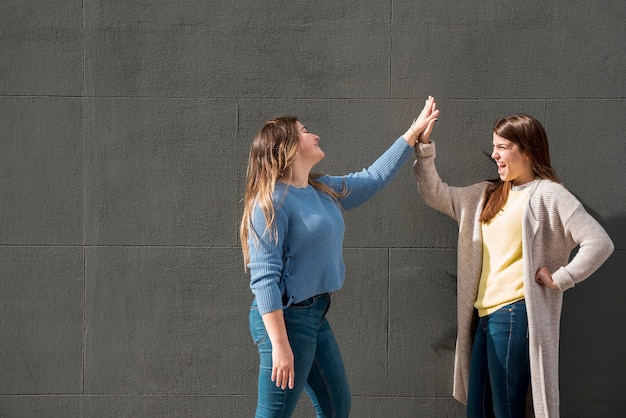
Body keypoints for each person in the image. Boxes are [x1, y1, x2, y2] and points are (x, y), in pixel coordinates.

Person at [240, 97, 439, 417]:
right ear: (287, 148)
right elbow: (264, 277)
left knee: (336, 405)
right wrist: (279, 344)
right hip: (285, 320)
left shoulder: (322, 189)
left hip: (315, 314)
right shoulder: (271, 202)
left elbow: (373, 178)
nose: (315, 135)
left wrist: (412, 134)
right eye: (305, 132)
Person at [412, 108, 614, 417]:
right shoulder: (486, 194)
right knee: (477, 410)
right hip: (484, 317)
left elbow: (599, 242)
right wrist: (424, 151)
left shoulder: (549, 194)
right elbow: (437, 195)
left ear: (527, 150)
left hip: (515, 313)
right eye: (494, 147)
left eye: (502, 147)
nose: (494, 155)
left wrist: (561, 278)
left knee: (506, 408)